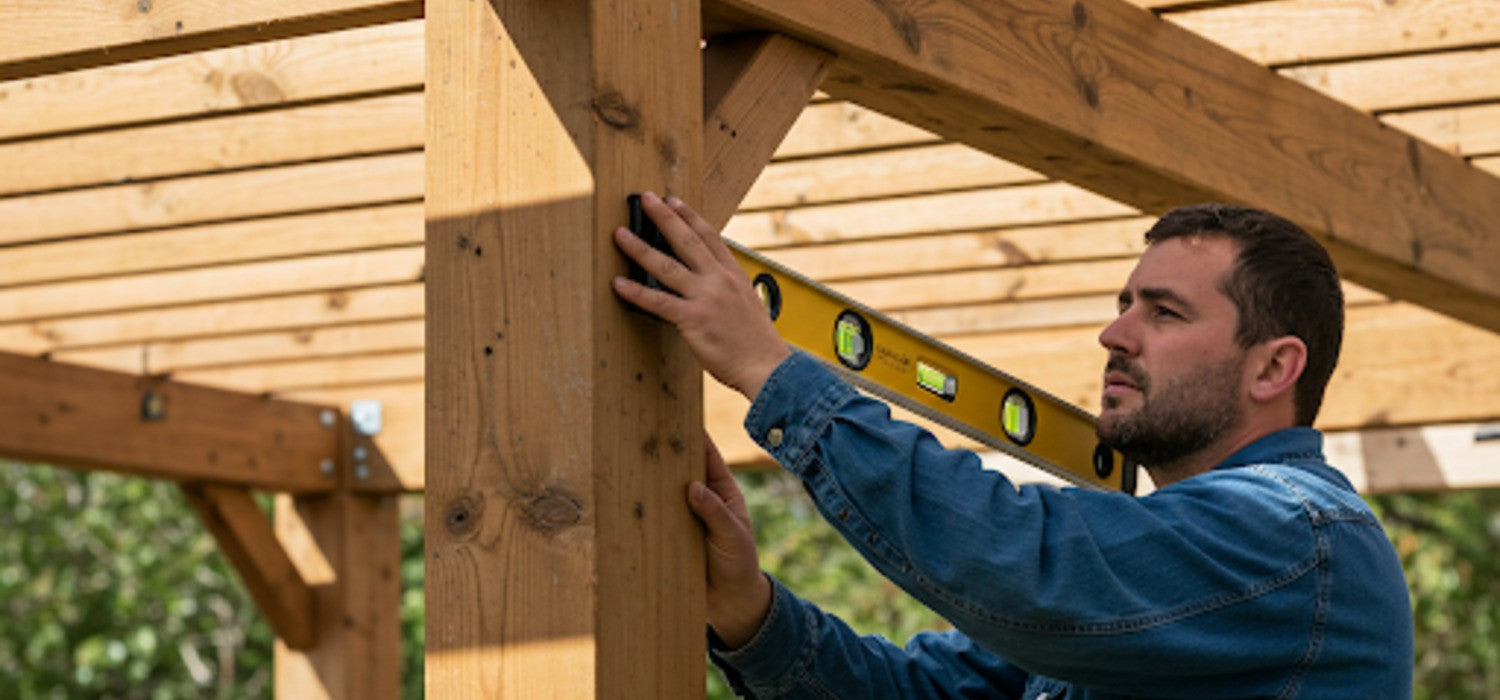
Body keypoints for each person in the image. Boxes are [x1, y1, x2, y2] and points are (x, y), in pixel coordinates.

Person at [611, 191, 1413, 698]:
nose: (1114, 333)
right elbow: (928, 693)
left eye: (1164, 313)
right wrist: (750, 614)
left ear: (1275, 366)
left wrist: (770, 368)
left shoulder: (1296, 537)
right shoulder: (1158, 577)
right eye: (1124, 303)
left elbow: (1022, 559)